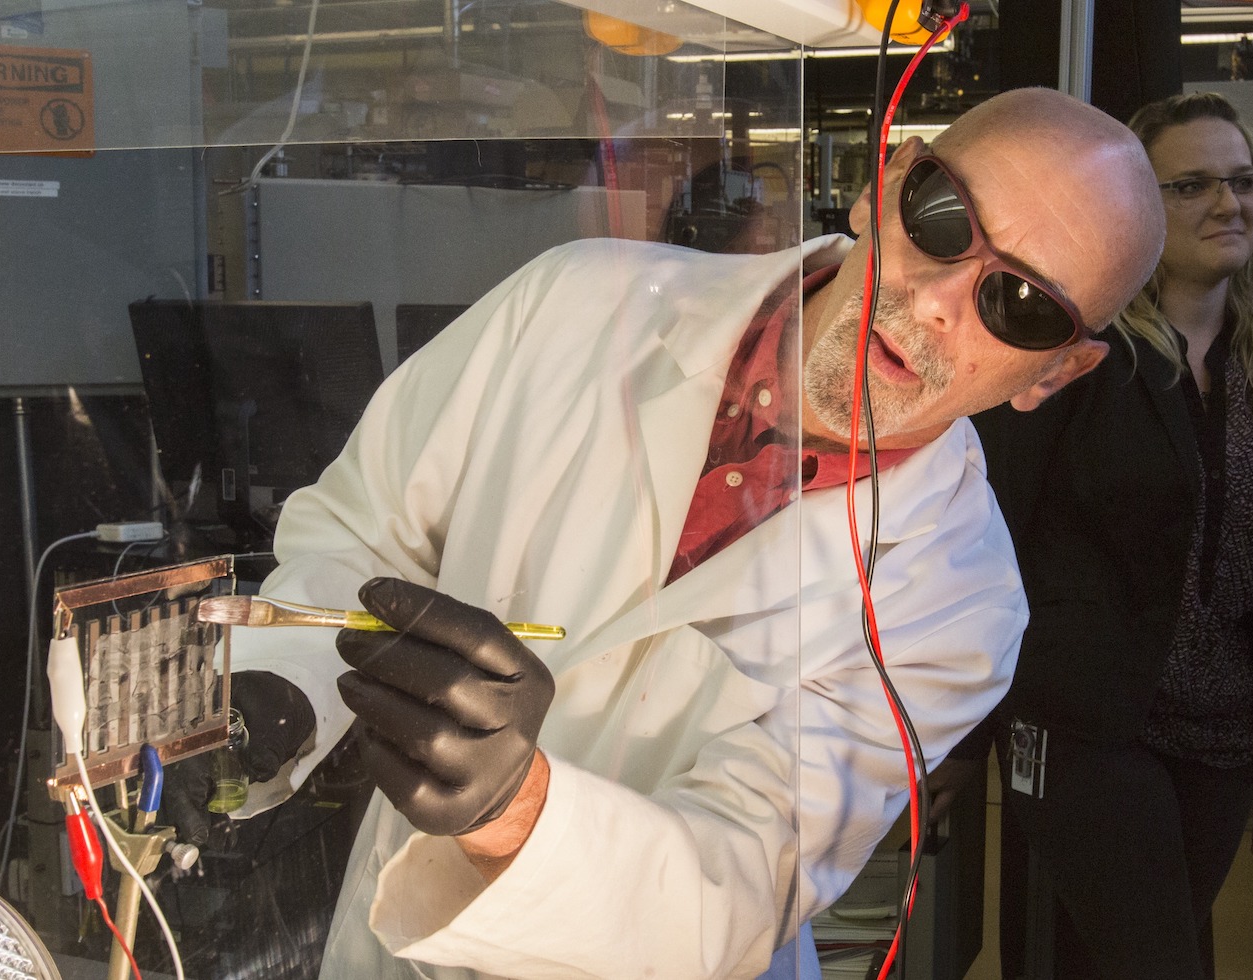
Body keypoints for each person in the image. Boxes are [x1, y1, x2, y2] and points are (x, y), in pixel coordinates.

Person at [169, 87, 1165, 979]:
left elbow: (738, 880)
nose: (936, 300)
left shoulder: (956, 600)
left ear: (1051, 373)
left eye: (1020, 304)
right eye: (941, 218)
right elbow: (359, 527)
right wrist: (280, 689)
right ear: (885, 185)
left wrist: (517, 811)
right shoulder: (580, 301)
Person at [947, 90, 1253, 980]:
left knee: (1118, 956)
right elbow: (997, 531)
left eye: (1244, 180)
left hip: (1221, 738)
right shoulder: (1080, 353)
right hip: (1086, 726)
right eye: (1193, 185)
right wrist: (958, 734)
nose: (1229, 202)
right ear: (1137, 207)